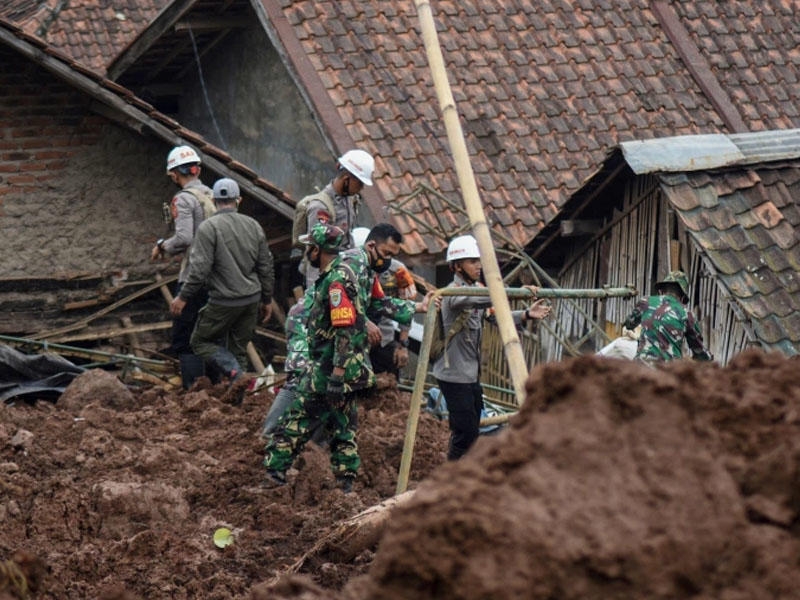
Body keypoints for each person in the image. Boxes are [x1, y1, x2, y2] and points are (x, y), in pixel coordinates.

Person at [262, 222, 433, 491]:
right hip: (344, 363)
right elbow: (355, 318)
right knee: (343, 427)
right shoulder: (352, 270)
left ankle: (275, 475)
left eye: (391, 256)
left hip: (332, 364)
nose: (388, 262)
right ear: (371, 246)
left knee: (297, 421)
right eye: (387, 255)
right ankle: (344, 484)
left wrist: (416, 307)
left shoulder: (348, 273)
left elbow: (352, 322)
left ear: (317, 251)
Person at [433, 234, 551, 461]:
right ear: (457, 267)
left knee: (472, 429)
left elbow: (493, 315)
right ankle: (451, 475)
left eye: (479, 261)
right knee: (465, 432)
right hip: (453, 376)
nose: (478, 266)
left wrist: (526, 314)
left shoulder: (475, 291)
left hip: (470, 375)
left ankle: (461, 469)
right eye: (471, 261)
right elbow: (483, 299)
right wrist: (515, 291)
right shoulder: (454, 294)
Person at [169, 178, 274, 402]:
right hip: (251, 299)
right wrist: (267, 299)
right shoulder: (253, 225)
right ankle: (237, 400)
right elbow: (265, 265)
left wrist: (183, 297)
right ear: (239, 200)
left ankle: (234, 373)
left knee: (199, 342)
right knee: (238, 348)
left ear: (215, 201)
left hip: (224, 301)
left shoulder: (209, 228)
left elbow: (198, 270)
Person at [151, 145, 215, 387]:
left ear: (175, 174)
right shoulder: (213, 195)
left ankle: (194, 391)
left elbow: (184, 238)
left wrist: (161, 246)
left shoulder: (184, 199)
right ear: (196, 169)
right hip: (218, 277)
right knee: (211, 335)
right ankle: (216, 387)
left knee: (185, 337)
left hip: (194, 277)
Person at [298, 149, 375, 288]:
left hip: (343, 272)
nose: (361, 188)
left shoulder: (350, 200)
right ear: (347, 179)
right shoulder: (320, 207)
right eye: (360, 184)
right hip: (324, 279)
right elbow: (315, 253)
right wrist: (316, 291)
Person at [352, 227, 417, 379]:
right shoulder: (349, 268)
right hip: (354, 341)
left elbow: (406, 305)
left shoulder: (398, 271)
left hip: (384, 340)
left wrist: (403, 345)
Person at [623, 270, 713, 363]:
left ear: (661, 291)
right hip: (668, 371)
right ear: (682, 297)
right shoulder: (686, 313)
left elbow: (629, 324)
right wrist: (708, 359)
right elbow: (699, 351)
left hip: (641, 365)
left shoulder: (645, 302)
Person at [259, 289, 311, 438]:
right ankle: (271, 431)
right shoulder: (353, 272)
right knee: (298, 378)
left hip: (310, 319)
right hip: (305, 321)